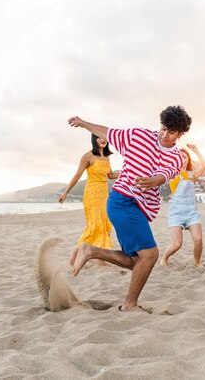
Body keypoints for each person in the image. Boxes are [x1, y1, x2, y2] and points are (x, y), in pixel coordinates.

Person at [68, 105, 192, 312]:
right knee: (150, 255)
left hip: (137, 207)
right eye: (163, 128)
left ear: (181, 133)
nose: (164, 134)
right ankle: (129, 305)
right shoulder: (139, 136)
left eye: (171, 132)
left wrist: (154, 181)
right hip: (122, 200)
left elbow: (166, 173)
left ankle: (91, 250)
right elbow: (107, 132)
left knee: (136, 260)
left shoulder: (178, 157)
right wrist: (83, 123)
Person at [58, 134, 120, 265]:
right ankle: (74, 256)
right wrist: (66, 192)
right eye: (99, 138)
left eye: (104, 137)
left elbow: (110, 175)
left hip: (104, 195)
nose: (102, 140)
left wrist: (126, 173)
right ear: (94, 140)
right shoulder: (88, 156)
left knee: (105, 225)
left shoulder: (107, 157)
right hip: (92, 195)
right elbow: (77, 175)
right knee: (94, 225)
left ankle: (101, 259)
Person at [161, 144, 205, 267]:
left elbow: (204, 165)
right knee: (177, 244)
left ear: (188, 160)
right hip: (176, 214)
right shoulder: (172, 174)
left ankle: (197, 263)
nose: (183, 159)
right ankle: (164, 259)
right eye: (180, 157)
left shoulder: (191, 175)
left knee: (198, 239)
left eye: (185, 157)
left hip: (192, 213)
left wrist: (196, 150)